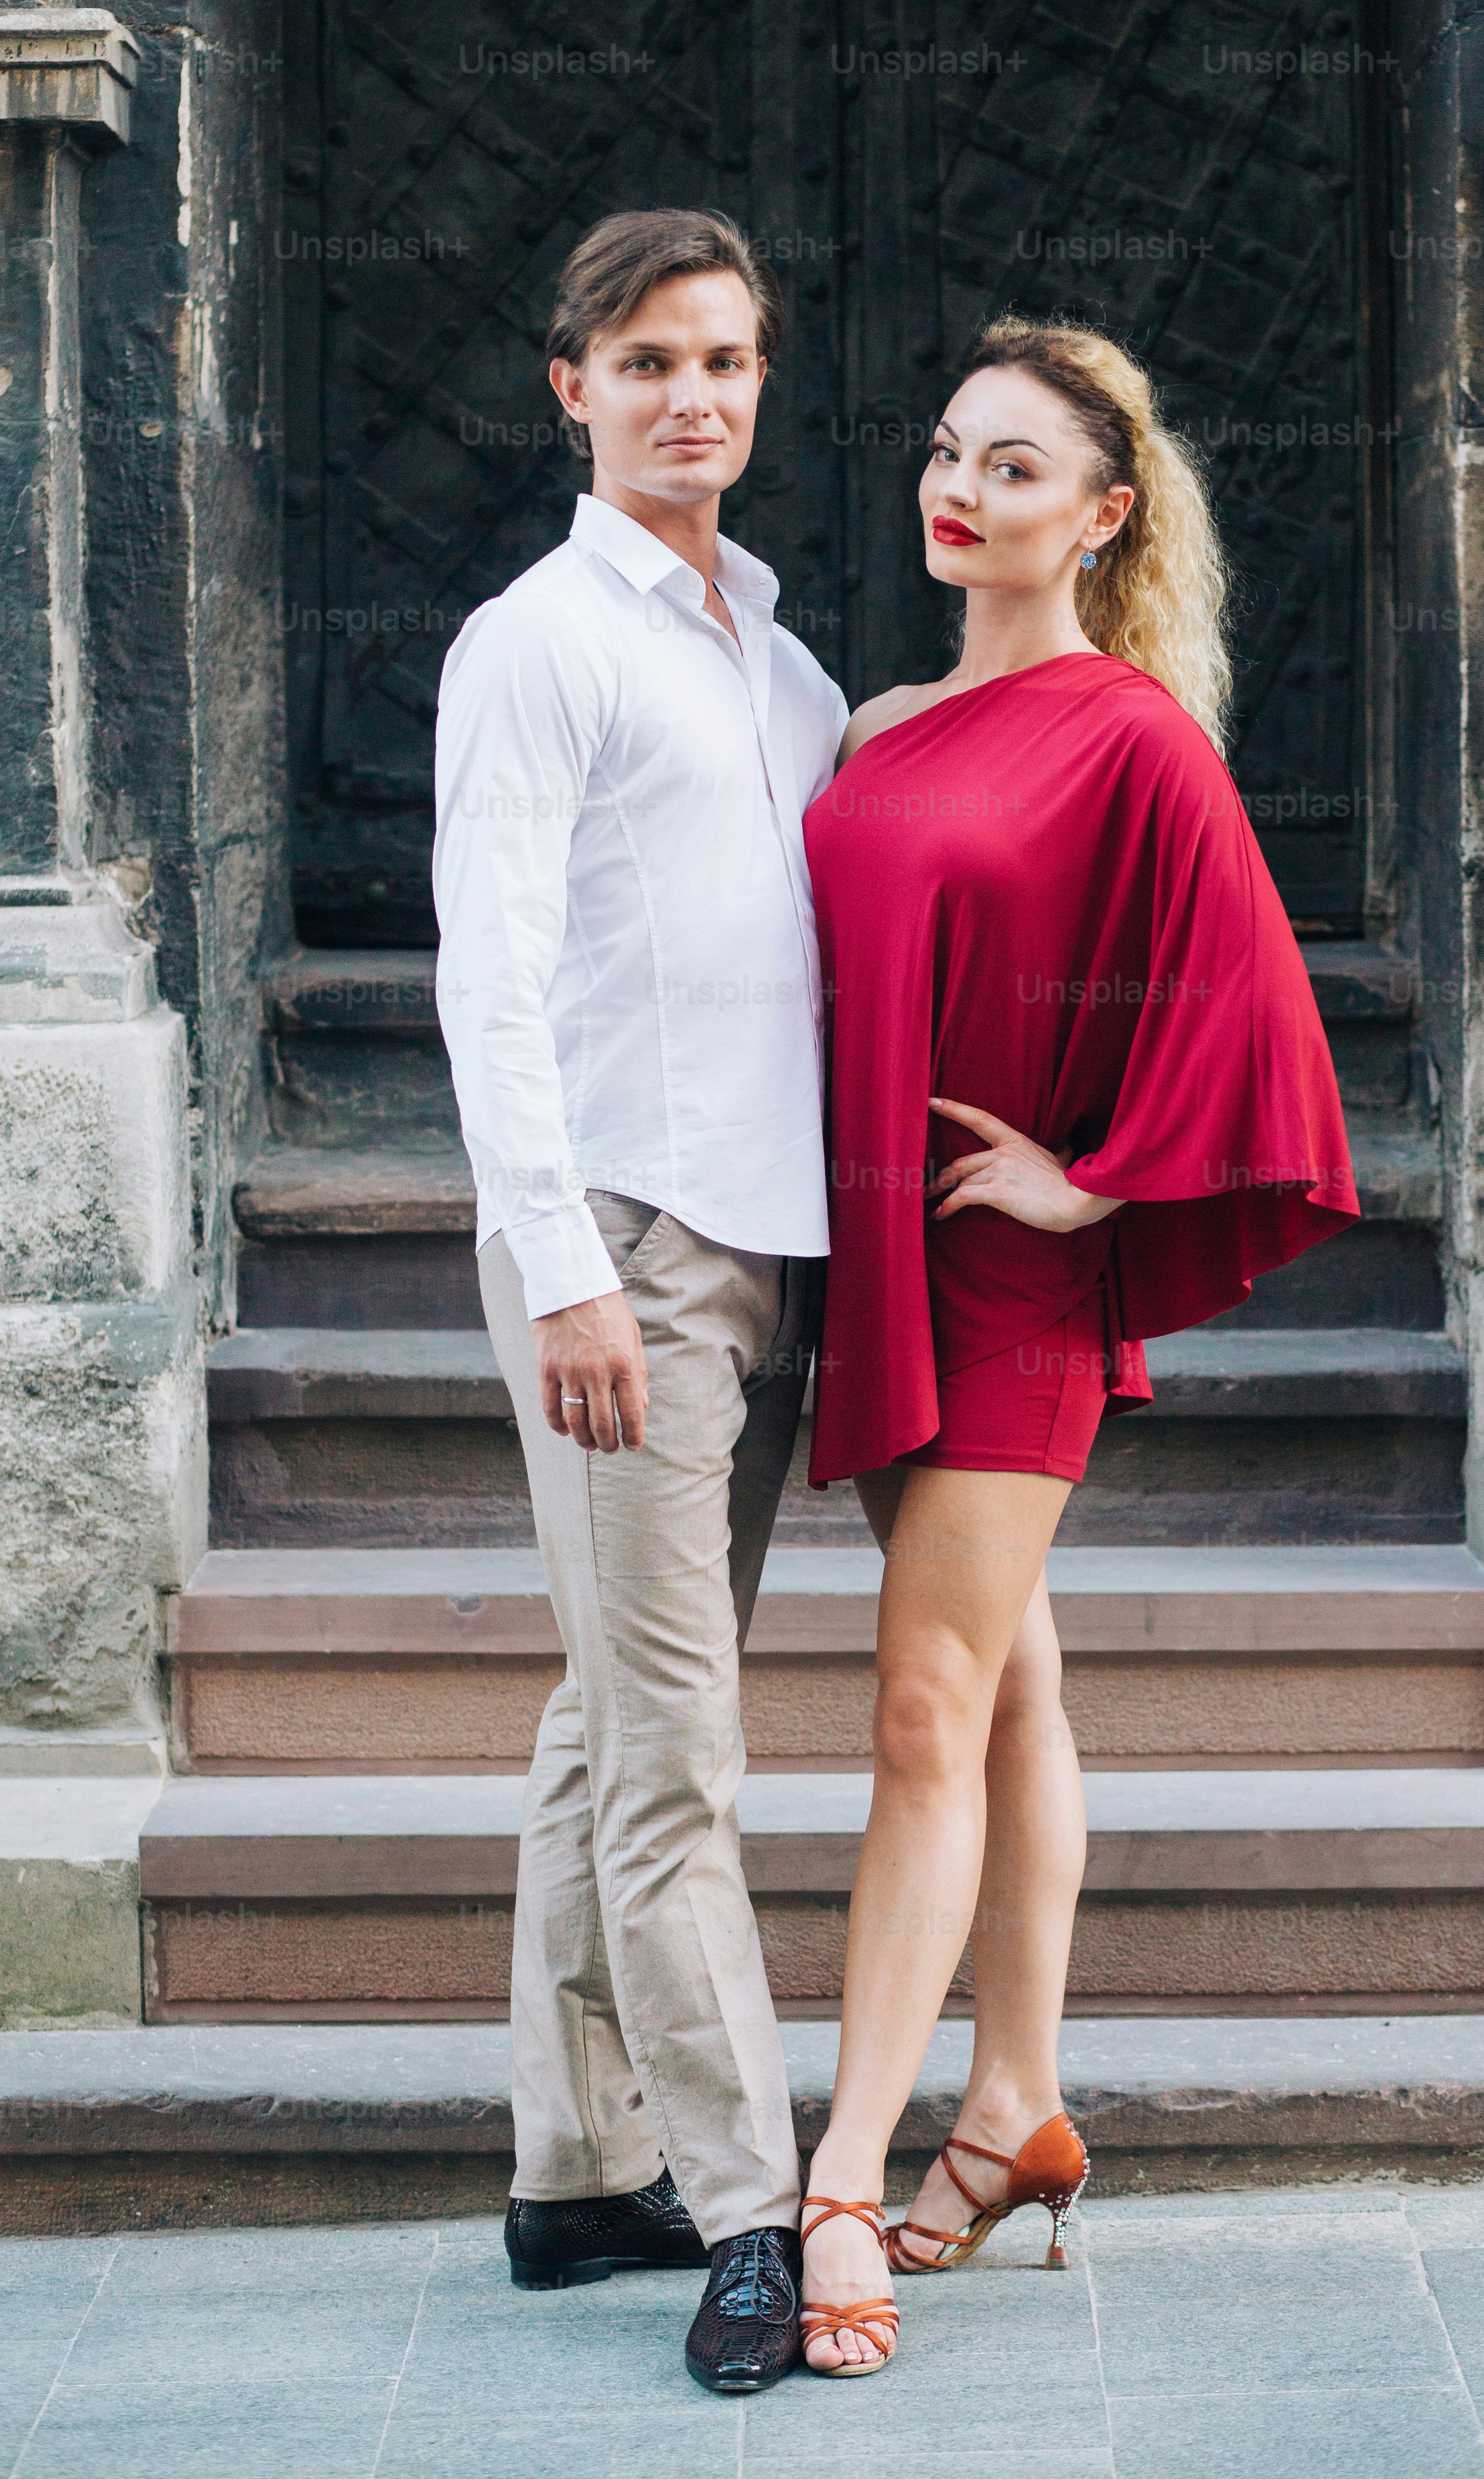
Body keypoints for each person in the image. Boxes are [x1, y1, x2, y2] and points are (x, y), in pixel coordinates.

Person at [793, 317, 1357, 2373]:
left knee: (922, 1712)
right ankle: (1016, 2112)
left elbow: (1253, 1007)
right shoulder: (865, 727)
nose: (960, 490)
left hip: (1005, 1292)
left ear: (1101, 515)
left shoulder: (1130, 736)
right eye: (948, 452)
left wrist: (1098, 1182)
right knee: (1008, 1689)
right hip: (868, 1273)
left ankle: (840, 2169)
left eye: (1014, 468)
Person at [432, 209, 846, 2394]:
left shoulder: (783, 666)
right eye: (650, 360)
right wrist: (567, 1268)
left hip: (769, 1251)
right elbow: (483, 980)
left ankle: (566, 2163)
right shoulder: (537, 640)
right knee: (679, 1749)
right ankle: (746, 2211)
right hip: (624, 1251)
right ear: (570, 387)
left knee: (607, 1717)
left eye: (728, 360)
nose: (696, 395)